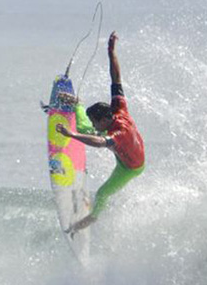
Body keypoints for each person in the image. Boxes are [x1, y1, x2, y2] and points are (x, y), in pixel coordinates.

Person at [56, 31, 145, 234]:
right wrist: (111, 51)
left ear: (104, 119)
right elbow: (116, 79)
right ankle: (78, 104)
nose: (95, 126)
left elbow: (98, 141)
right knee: (85, 129)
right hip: (125, 150)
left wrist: (70, 136)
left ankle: (92, 219)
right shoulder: (118, 107)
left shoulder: (118, 133)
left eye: (97, 123)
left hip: (130, 166)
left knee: (103, 193)